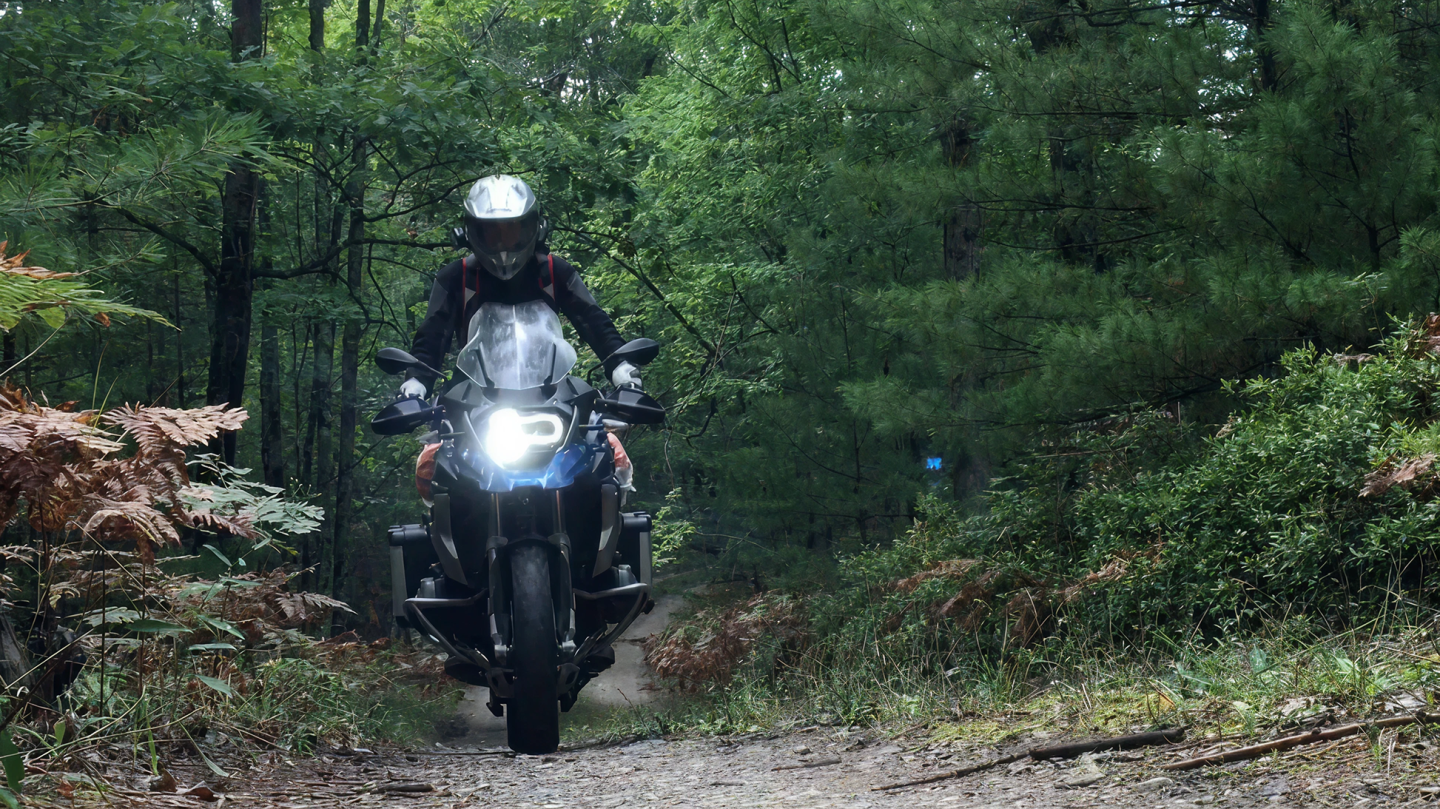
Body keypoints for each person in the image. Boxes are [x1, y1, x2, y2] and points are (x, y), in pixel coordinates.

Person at [404, 175, 640, 500]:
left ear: (531, 227)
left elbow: (594, 322)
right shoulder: (456, 277)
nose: (503, 242)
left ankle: (613, 539)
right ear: (472, 232)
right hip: (473, 402)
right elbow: (432, 337)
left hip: (554, 394)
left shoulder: (553, 272)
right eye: (492, 231)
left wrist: (623, 371)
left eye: (511, 229)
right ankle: (441, 540)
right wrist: (415, 384)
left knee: (609, 457)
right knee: (432, 467)